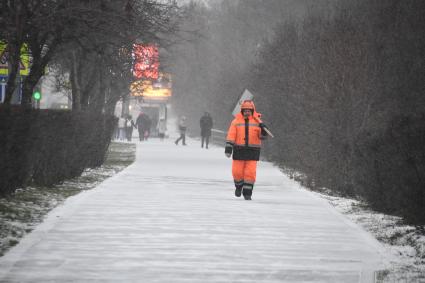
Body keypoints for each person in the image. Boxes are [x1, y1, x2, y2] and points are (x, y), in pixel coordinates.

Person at [225, 100, 268, 200]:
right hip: (239, 150)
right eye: (245, 110)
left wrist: (264, 129)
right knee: (237, 172)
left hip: (253, 151)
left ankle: (247, 193)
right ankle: (239, 186)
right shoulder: (235, 122)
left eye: (249, 110)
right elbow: (231, 135)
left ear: (253, 111)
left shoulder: (258, 122)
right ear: (242, 111)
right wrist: (228, 147)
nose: (247, 112)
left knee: (250, 173)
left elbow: (262, 137)